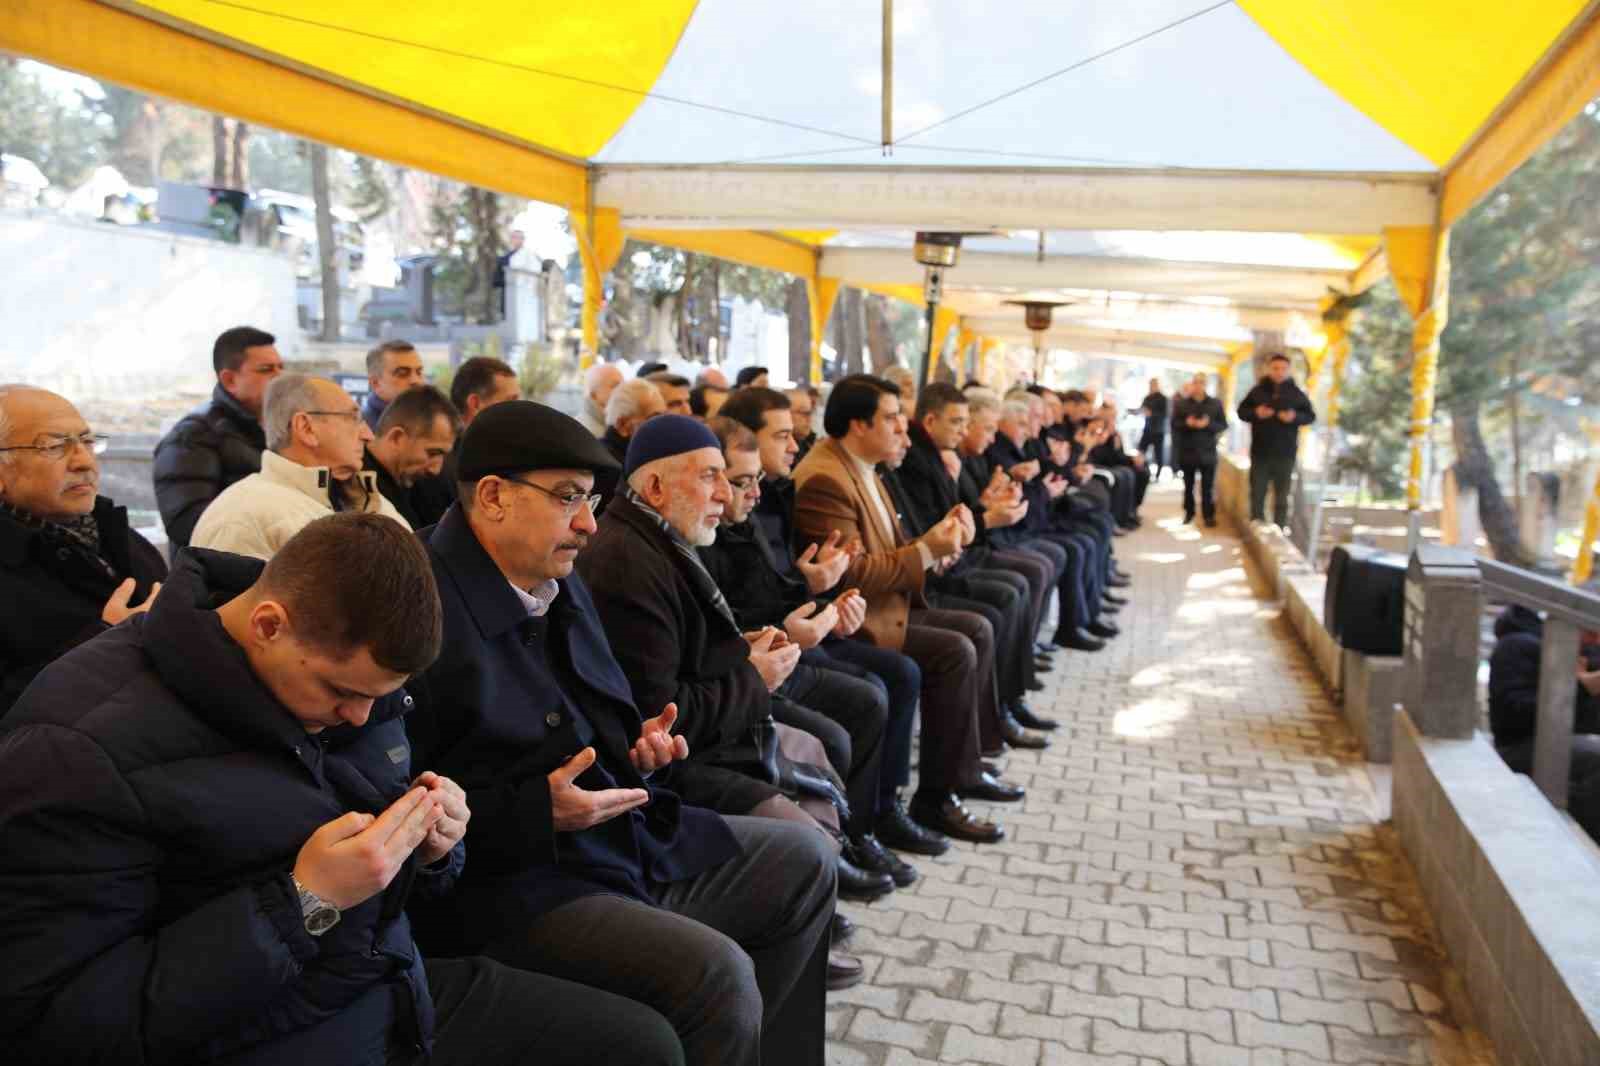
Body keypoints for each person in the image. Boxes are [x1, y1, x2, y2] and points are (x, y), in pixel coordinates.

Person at [0, 513, 686, 1066]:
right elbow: (58, 1024)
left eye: (382, 698)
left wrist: (434, 847)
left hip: (385, 988)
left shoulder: (344, 672)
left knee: (643, 1042)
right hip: (256, 1033)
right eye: (343, 693)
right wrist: (302, 903)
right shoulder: (78, 749)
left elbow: (391, 886)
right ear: (268, 624)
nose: (361, 716)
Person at [406, 402, 836, 1066]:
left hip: (620, 835)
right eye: (569, 498)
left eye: (594, 500)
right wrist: (533, 811)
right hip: (517, 886)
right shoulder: (422, 613)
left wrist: (640, 747)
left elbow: (603, 715)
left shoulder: (558, 575)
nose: (587, 522)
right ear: (492, 498)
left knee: (806, 862)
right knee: (716, 974)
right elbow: (398, 809)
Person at [719, 387, 948, 858]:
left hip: (792, 642)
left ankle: (882, 816)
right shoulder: (806, 481)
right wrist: (812, 600)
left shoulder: (771, 493)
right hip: (754, 667)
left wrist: (819, 594)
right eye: (784, 433)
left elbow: (780, 586)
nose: (795, 442)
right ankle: (853, 838)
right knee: (870, 697)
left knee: (890, 680)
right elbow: (737, 613)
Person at [792, 374, 1014, 844]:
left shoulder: (866, 465)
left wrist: (939, 543)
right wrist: (928, 551)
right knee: (953, 648)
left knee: (975, 629)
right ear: (857, 424)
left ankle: (959, 775)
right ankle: (927, 800)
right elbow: (852, 574)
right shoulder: (825, 478)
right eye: (891, 418)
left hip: (890, 604)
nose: (902, 428)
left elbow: (892, 550)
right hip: (857, 618)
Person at [0, 386, 166, 717]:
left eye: (88, 442)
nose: (84, 461)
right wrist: (108, 643)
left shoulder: (119, 535)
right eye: (54, 446)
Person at [191, 374, 409, 558]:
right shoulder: (240, 517)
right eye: (353, 418)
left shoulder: (362, 497)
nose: (367, 434)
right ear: (306, 428)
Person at [152, 325, 283, 547]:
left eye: (281, 367)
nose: (280, 377)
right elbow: (189, 525)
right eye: (266, 369)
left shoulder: (279, 427)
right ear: (230, 380)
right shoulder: (192, 437)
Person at [1488, 603, 1600, 842]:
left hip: (1560, 745)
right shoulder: (1517, 646)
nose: (1594, 641)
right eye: (1591, 632)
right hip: (1520, 746)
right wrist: (1582, 687)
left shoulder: (1579, 652)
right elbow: (1514, 713)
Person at [410, 355, 521, 526]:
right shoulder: (440, 465)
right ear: (475, 403)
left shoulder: (487, 453)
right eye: (510, 401)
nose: (518, 411)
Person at [1237, 352, 1316, 529]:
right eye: (1275, 368)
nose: (1279, 372)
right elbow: (1242, 412)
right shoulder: (1257, 391)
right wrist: (1257, 413)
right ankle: (1256, 525)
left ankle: (1279, 528)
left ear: (1288, 370)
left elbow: (1310, 416)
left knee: (1282, 495)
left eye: (1283, 369)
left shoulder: (1297, 394)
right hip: (1260, 452)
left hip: (1285, 453)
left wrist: (1293, 417)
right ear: (1269, 369)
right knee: (1257, 492)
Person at [365, 386, 462, 528]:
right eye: (432, 453)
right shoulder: (355, 493)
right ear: (396, 437)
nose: (436, 469)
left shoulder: (415, 484)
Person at [1172, 373, 1228, 527]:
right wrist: (1187, 423)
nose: (1198, 386)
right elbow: (1174, 424)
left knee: (1207, 487)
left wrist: (1207, 425)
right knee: (1188, 486)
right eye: (1196, 383)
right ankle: (1189, 513)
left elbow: (1223, 425)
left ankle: (1208, 515)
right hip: (1188, 451)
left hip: (1208, 452)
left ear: (1206, 384)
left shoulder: (1215, 404)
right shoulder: (1182, 404)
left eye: (1202, 383)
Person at [362, 340, 427, 431]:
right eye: (402, 373)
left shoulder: (430, 421)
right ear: (375, 383)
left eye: (419, 372)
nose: (415, 381)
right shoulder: (361, 430)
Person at [602, 378, 667, 465]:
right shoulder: (607, 466)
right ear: (623, 425)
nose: (665, 425)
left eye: (665, 417)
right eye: (655, 419)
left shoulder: (643, 453)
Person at [579, 362, 624, 436]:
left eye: (624, 384)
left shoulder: (618, 422)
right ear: (593, 395)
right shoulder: (584, 431)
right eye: (615, 386)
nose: (623, 389)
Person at [1137, 378, 1169, 479]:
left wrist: (1152, 414)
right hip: (1147, 429)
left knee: (1158, 454)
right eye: (1151, 384)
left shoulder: (1163, 399)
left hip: (1158, 430)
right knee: (1141, 450)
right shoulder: (1147, 397)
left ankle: (1158, 474)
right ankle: (1141, 470)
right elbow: (1142, 409)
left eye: (1154, 384)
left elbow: (1165, 414)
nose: (1152, 386)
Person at [787, 385, 820, 463]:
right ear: (785, 413)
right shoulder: (779, 452)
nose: (809, 418)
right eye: (804, 412)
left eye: (811, 413)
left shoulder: (809, 444)